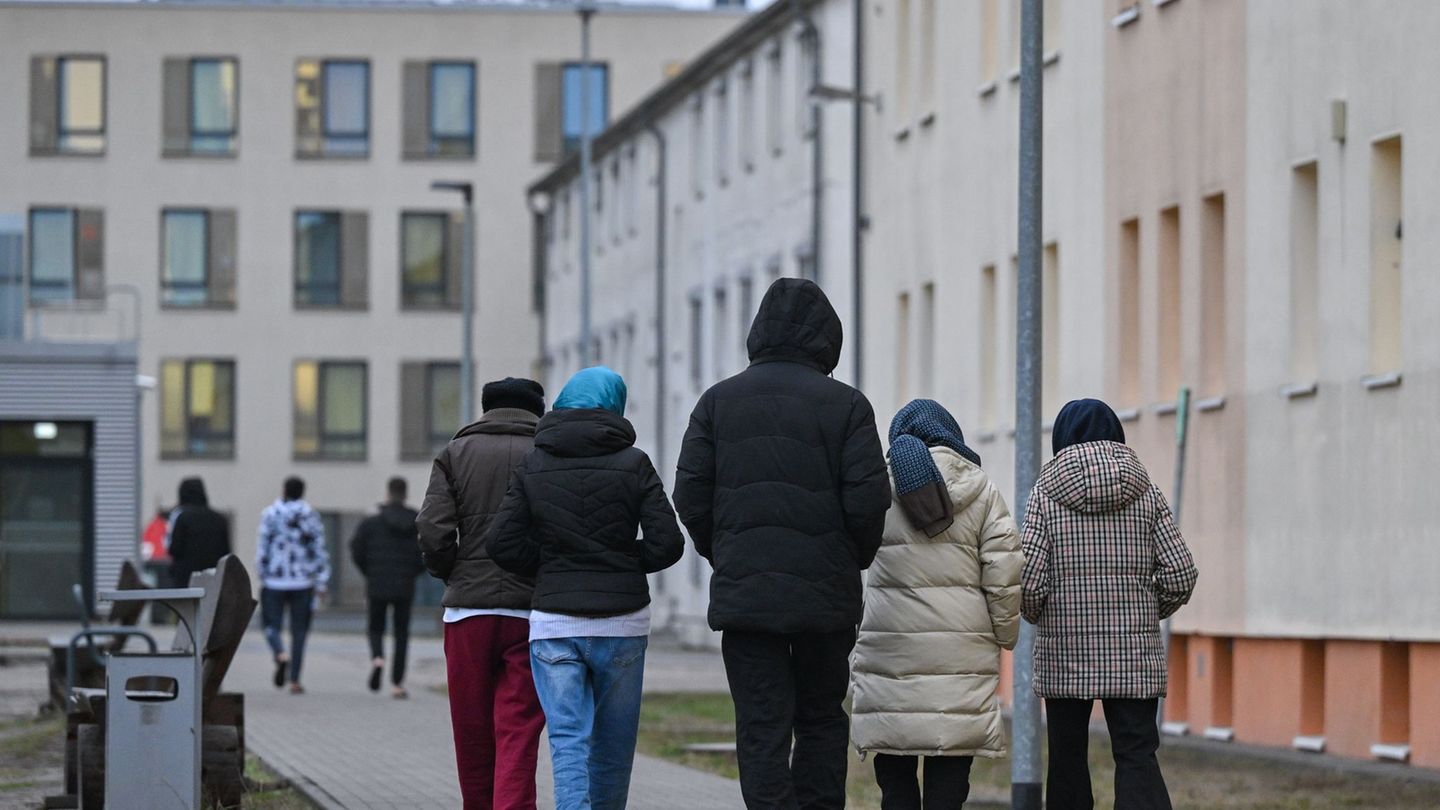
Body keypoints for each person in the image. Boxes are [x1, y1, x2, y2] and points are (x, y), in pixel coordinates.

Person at [673, 278, 891, 810]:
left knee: (761, 727)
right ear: (827, 339)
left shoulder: (718, 403)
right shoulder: (847, 406)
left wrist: (725, 552)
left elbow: (689, 495)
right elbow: (869, 502)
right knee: (820, 720)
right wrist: (847, 559)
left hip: (747, 600)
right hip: (824, 599)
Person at [488, 366, 684, 810]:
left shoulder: (534, 463)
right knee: (613, 748)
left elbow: (501, 543)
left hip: (555, 622)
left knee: (567, 742)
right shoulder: (634, 463)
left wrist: (550, 565)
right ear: (614, 404)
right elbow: (668, 544)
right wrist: (625, 561)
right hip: (622, 624)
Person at [1020, 399, 1199, 810]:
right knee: (1137, 754)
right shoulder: (1146, 492)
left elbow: (1027, 581)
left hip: (1065, 650)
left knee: (1066, 761)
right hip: (1134, 654)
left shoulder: (1045, 494)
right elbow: (1181, 572)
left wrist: (1041, 614)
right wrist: (1144, 611)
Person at [851, 399, 1022, 810]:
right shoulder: (983, 490)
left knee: (894, 779)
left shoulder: (877, 488)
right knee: (949, 778)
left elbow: (849, 553)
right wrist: (1004, 634)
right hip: (961, 652)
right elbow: (1004, 572)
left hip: (890, 650)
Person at [418, 377, 549, 810]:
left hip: (467, 614)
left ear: (485, 408)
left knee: (472, 730)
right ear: (538, 409)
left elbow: (433, 529)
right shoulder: (549, 452)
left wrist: (452, 571)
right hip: (530, 612)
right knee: (518, 729)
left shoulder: (455, 453)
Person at [350, 476, 424, 699]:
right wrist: (413, 573)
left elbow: (356, 550)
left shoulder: (371, 523)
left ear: (388, 493)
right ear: (406, 494)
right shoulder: (416, 522)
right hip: (404, 585)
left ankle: (378, 658)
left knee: (375, 627)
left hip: (377, 584)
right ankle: (397, 683)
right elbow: (426, 552)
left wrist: (369, 572)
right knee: (401, 634)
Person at [256, 475, 330, 694]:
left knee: (270, 624)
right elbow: (319, 548)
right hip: (303, 581)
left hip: (274, 580)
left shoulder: (269, 514)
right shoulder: (310, 515)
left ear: (284, 490)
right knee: (300, 631)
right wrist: (322, 580)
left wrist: (262, 574)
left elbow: (263, 547)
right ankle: (295, 680)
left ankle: (280, 652)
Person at [166, 477, 230, 587]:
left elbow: (174, 549)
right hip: (213, 580)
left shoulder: (183, 518)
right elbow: (226, 552)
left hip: (186, 580)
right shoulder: (219, 519)